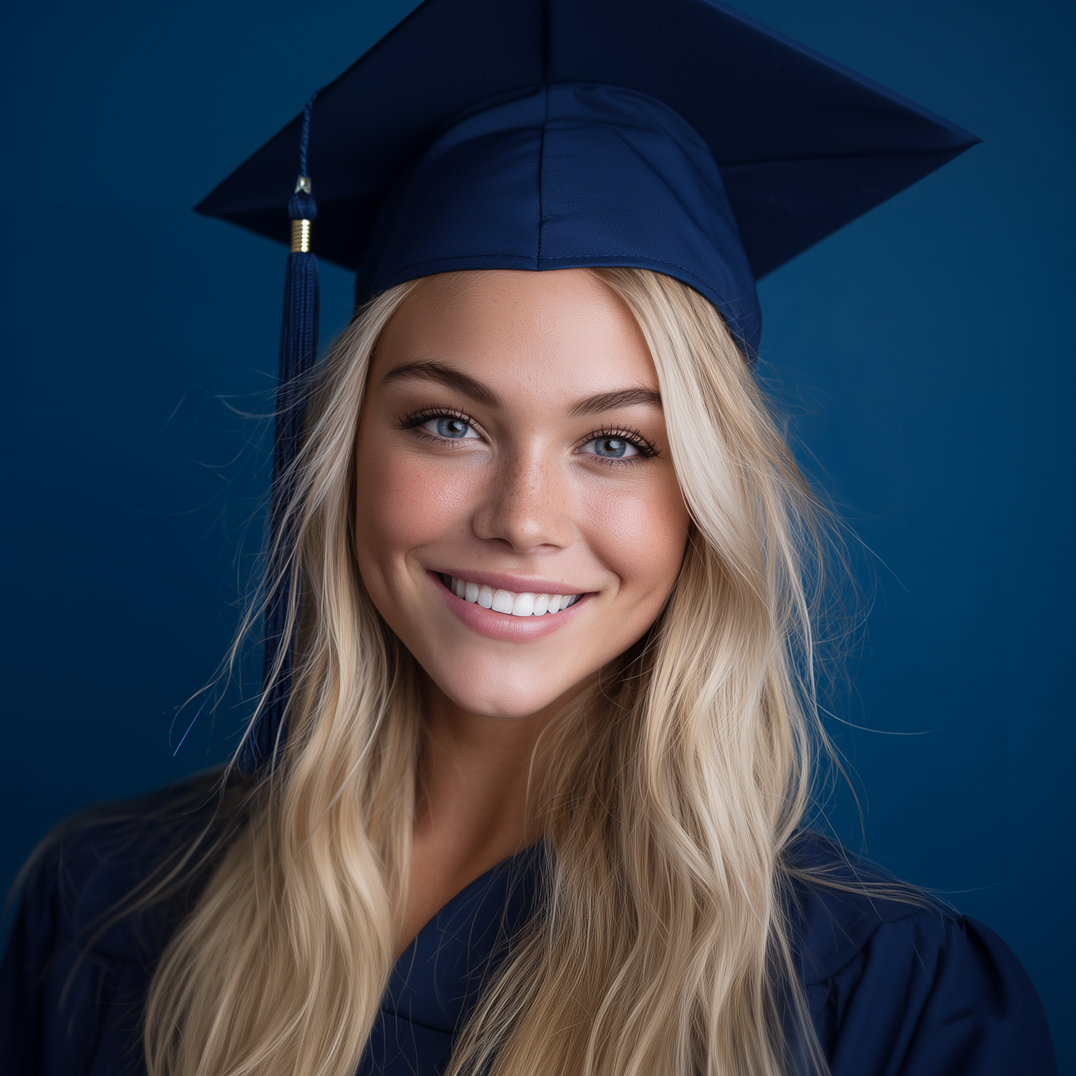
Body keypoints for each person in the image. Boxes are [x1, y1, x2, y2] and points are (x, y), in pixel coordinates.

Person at [0, 0, 1057, 1074]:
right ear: (344, 452)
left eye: (615, 442)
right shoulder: (104, 907)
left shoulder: (881, 1001)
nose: (521, 517)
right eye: (446, 422)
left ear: (705, 493)